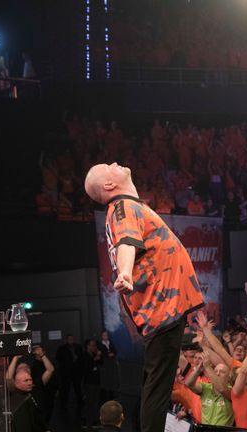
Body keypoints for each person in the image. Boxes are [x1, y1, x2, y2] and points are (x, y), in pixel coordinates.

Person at [84, 162, 205, 432]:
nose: (115, 163)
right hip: (162, 308)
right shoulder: (122, 206)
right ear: (108, 185)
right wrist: (125, 272)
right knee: (158, 388)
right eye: (108, 166)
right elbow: (127, 242)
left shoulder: (125, 206)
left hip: (164, 307)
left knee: (157, 384)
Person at [6, 355, 53, 432]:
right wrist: (15, 358)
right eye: (21, 368)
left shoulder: (36, 385)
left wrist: (42, 355)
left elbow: (50, 370)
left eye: (26, 368)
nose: (24, 369)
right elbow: (8, 378)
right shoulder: (15, 390)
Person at [56, 334, 84, 411]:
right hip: (66, 373)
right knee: (65, 389)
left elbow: (81, 359)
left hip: (76, 372)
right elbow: (58, 359)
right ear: (67, 340)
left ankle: (80, 403)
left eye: (72, 338)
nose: (71, 340)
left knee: (78, 388)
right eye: (69, 339)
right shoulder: (62, 348)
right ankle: (63, 405)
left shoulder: (78, 347)